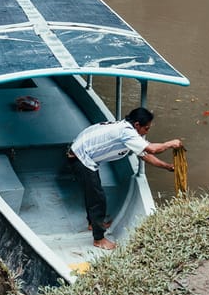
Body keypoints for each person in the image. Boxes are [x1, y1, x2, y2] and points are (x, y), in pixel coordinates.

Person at [68, 107, 183, 250]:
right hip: (80, 157)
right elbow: (152, 149)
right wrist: (170, 144)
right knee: (97, 198)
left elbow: (145, 155)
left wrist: (167, 166)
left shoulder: (126, 129)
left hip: (81, 154)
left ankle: (94, 223)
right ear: (137, 125)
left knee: (93, 193)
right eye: (146, 128)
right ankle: (98, 239)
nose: (147, 132)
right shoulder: (127, 132)